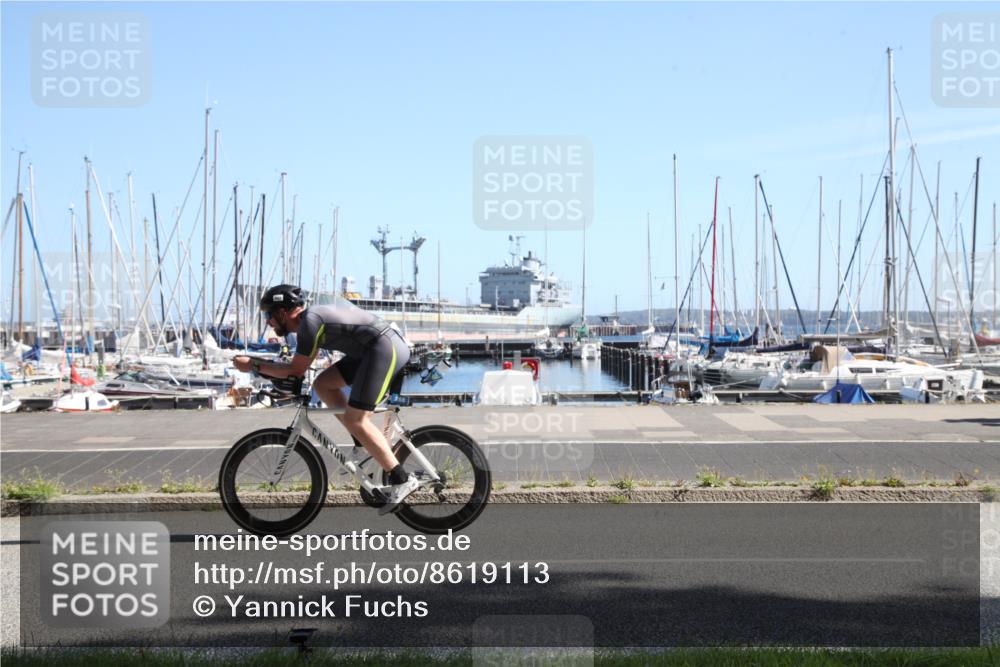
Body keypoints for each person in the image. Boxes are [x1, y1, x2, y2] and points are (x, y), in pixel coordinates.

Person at [233, 284, 417, 514]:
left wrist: (253, 364)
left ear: (281, 312)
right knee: (323, 384)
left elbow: (296, 369)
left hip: (383, 348)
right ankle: (363, 445)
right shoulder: (308, 323)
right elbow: (297, 369)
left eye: (269, 315)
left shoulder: (309, 323)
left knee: (356, 420)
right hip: (369, 350)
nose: (268, 322)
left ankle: (402, 479)